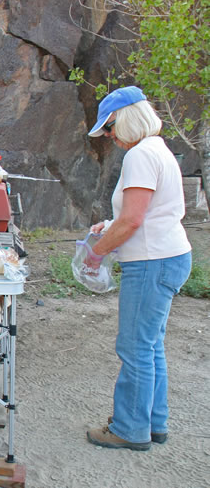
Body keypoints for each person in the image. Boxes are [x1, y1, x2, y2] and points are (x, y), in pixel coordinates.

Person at [83, 85, 192, 451]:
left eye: (110, 128)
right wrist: (110, 225)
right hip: (169, 255)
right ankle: (153, 422)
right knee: (150, 345)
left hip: (151, 263)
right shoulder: (158, 149)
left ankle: (130, 429)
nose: (110, 137)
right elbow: (144, 213)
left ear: (125, 119)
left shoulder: (140, 155)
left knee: (134, 347)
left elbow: (132, 222)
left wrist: (96, 253)